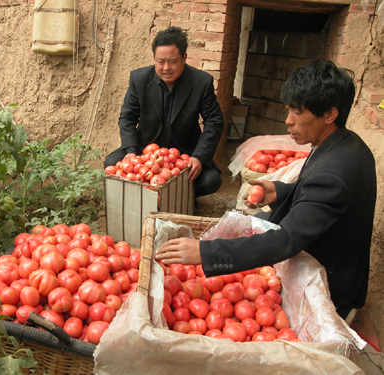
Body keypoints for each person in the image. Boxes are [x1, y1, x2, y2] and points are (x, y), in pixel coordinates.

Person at [155, 60, 377, 320]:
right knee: (256, 222)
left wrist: (205, 253)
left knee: (258, 237)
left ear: (329, 114)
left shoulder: (334, 172)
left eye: (297, 112)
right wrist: (281, 192)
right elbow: (321, 201)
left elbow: (287, 241)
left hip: (329, 287)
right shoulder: (348, 144)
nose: (288, 121)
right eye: (287, 110)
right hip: (329, 252)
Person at [104, 26, 224, 199]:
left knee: (211, 180)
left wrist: (198, 156)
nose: (166, 67)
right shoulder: (139, 79)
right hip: (144, 151)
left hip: (184, 155)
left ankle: (176, 200)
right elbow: (127, 117)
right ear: (154, 59)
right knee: (110, 163)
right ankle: (150, 200)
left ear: (184, 58)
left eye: (172, 61)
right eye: (161, 61)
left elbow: (214, 121)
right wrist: (131, 151)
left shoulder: (201, 82)